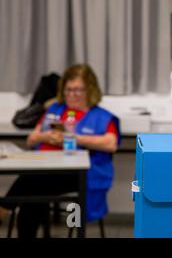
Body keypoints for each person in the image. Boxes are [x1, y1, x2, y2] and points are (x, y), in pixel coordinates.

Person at [5, 64, 121, 238]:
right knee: (35, 188)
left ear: (90, 90)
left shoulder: (101, 116)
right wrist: (47, 137)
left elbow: (110, 144)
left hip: (81, 174)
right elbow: (31, 139)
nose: (72, 95)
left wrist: (73, 138)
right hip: (46, 169)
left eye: (78, 90)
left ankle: (2, 210)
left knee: (32, 184)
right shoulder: (55, 110)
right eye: (68, 90)